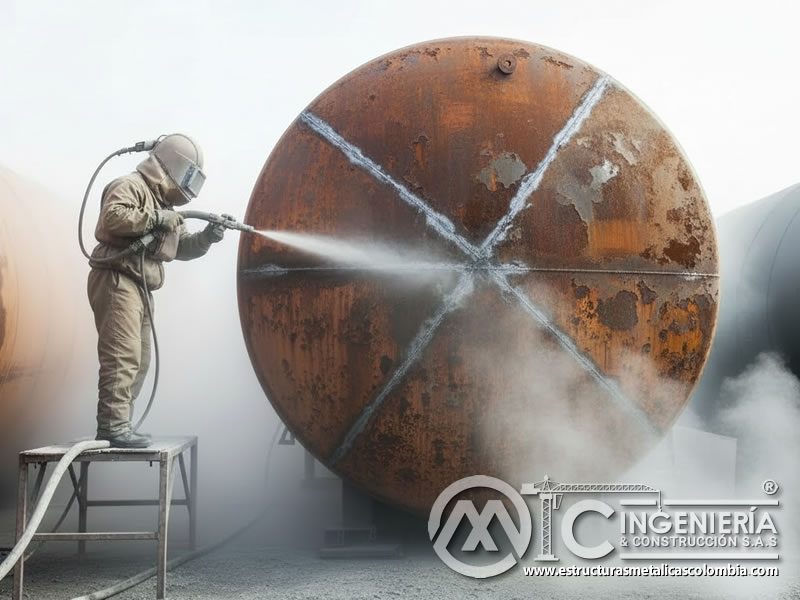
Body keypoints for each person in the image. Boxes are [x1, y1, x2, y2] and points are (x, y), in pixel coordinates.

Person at [88, 134, 224, 448]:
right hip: (117, 279)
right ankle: (112, 426)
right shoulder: (130, 185)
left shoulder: (165, 205)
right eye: (189, 176)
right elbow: (112, 218)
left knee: (141, 358)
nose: (189, 187)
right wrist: (157, 218)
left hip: (139, 286)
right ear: (173, 166)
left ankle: (121, 424)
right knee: (123, 356)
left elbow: (181, 247)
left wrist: (207, 237)